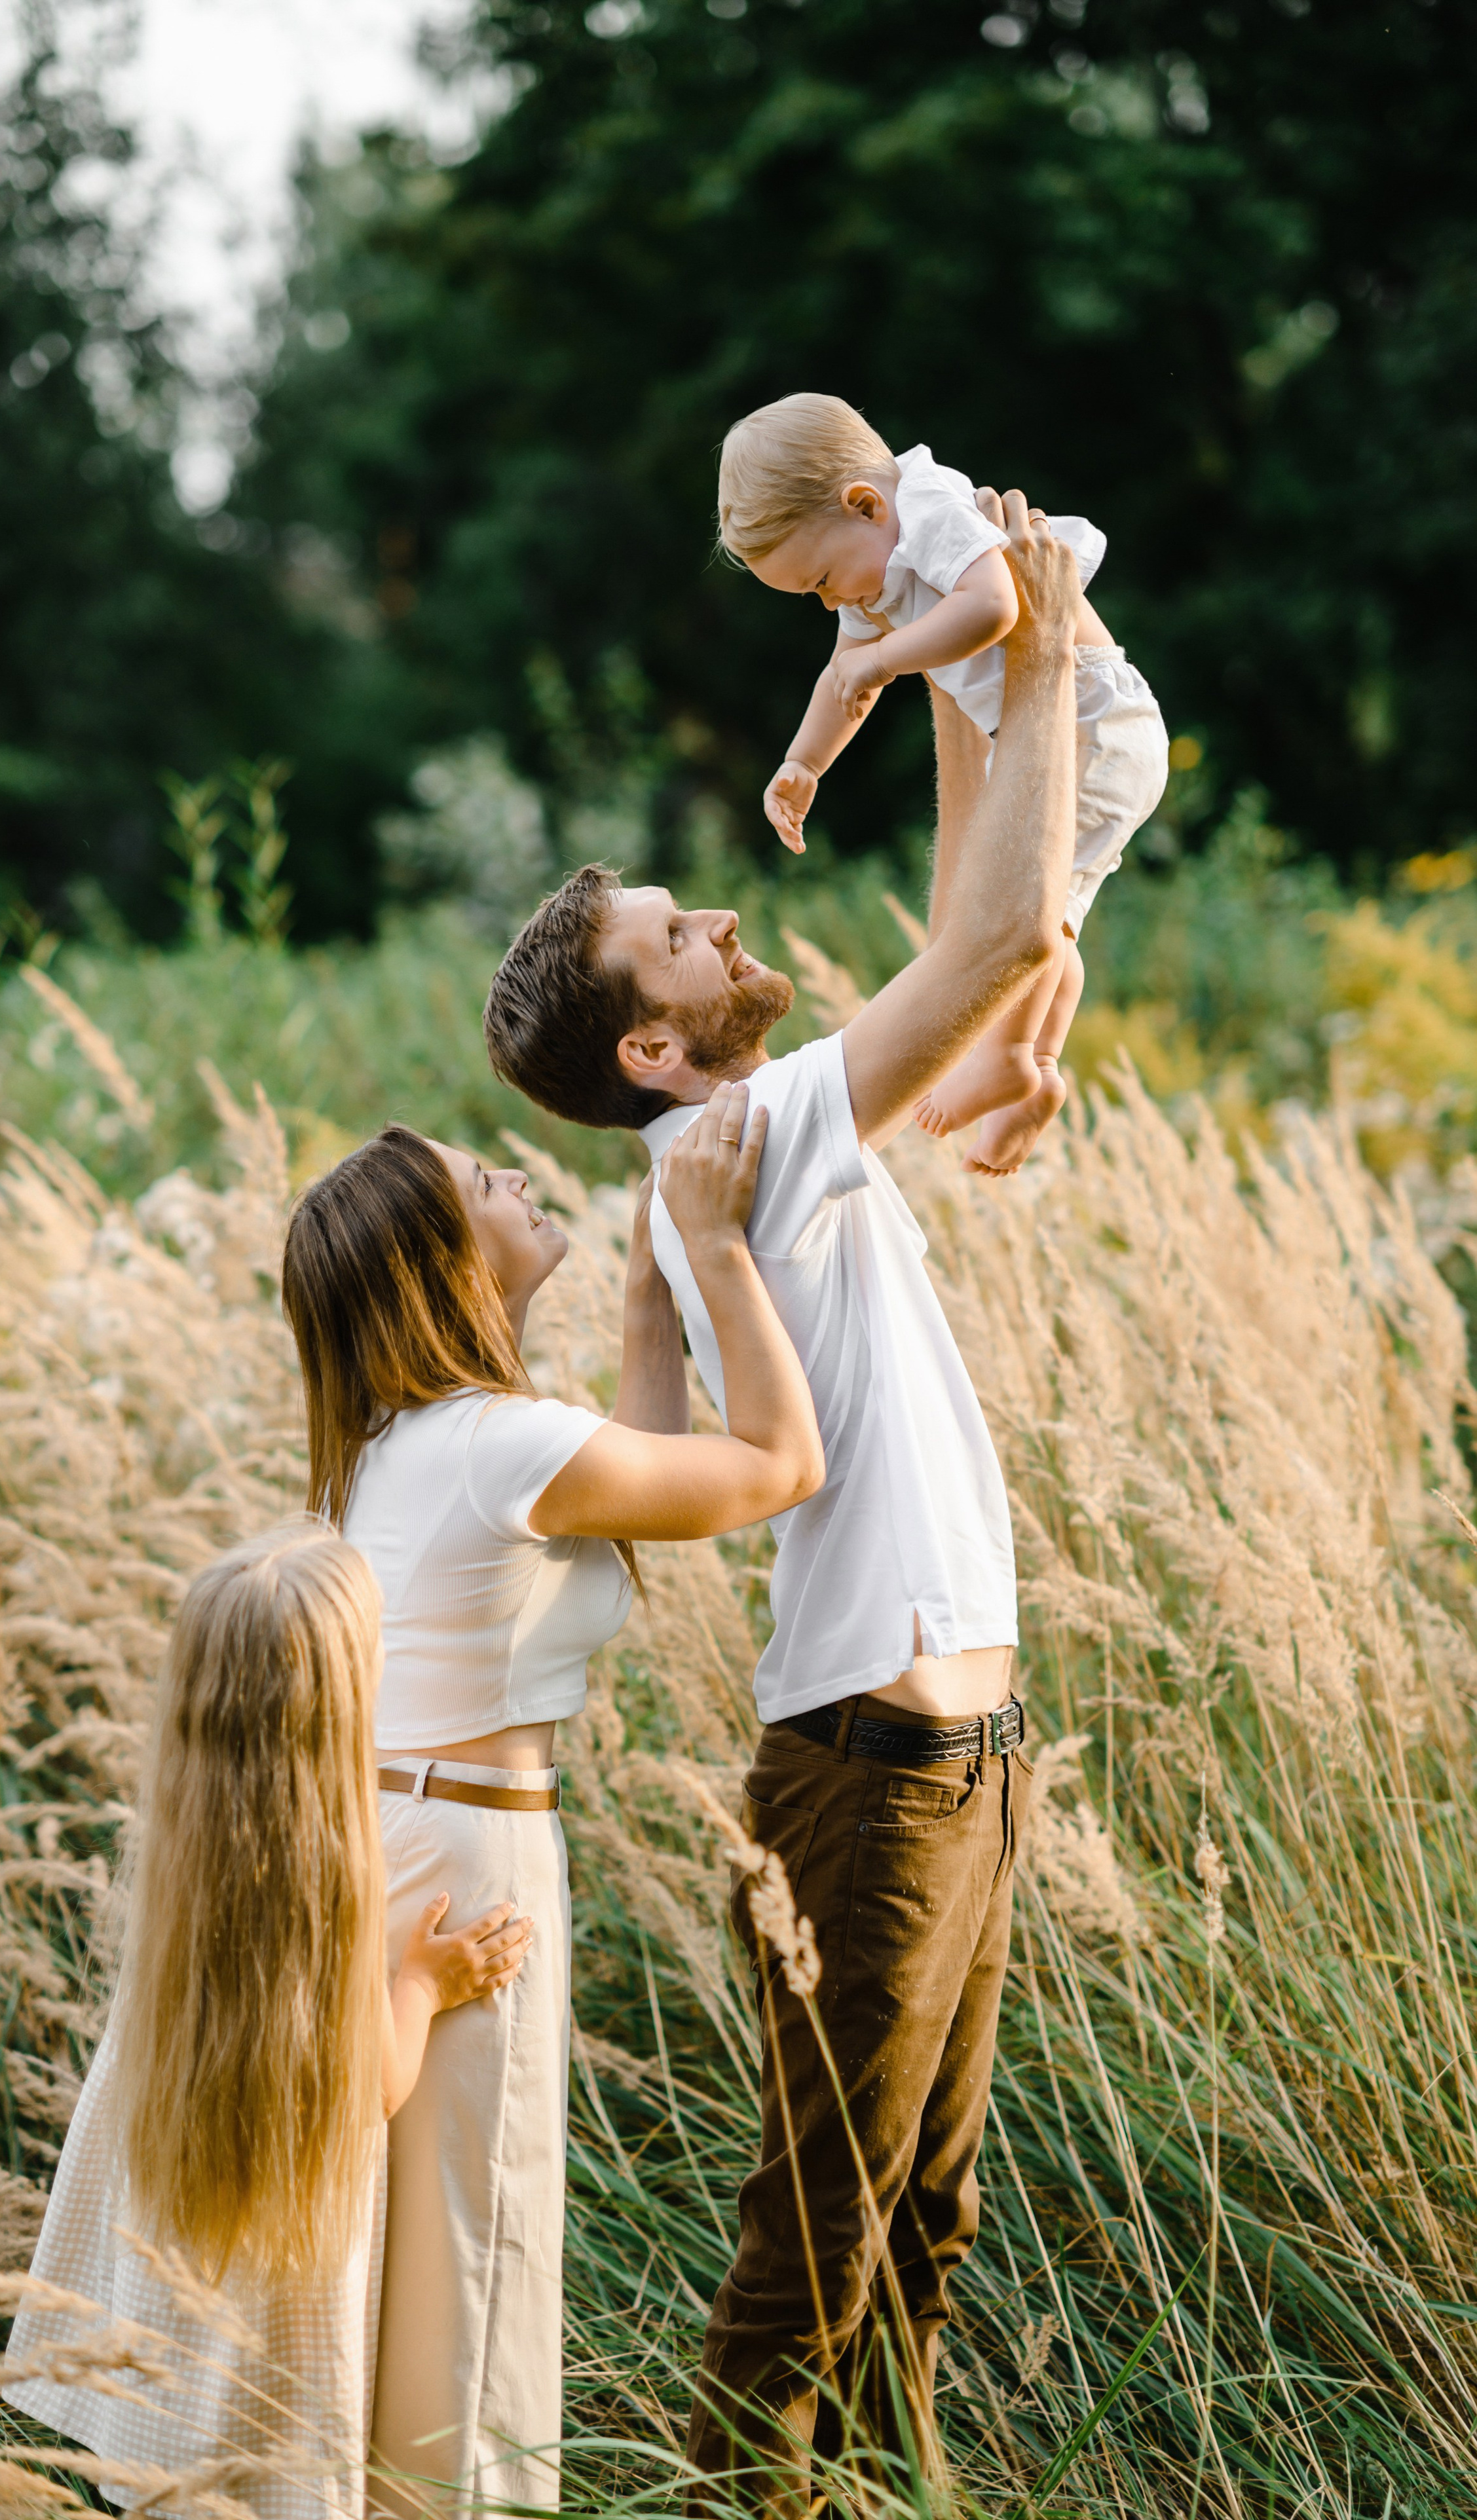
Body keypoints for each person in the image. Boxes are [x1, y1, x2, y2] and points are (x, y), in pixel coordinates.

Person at [482, 494, 1080, 2508]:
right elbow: (995, 944)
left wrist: (960, 685)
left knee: (918, 2220)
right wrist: (1035, 659)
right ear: (655, 1042)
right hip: (878, 1769)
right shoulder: (738, 1139)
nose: (726, 924)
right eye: (682, 935)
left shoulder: (735, 1156)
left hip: (953, 1749)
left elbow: (969, 961)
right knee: (821, 2237)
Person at [279, 1086, 823, 2516]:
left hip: (404, 1839)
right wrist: (717, 1249)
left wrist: (647, 1293)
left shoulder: (408, 1441)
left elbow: (641, 1488)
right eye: (485, 1180)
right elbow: (778, 1465)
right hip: (468, 1857)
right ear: (443, 1263)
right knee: (473, 2252)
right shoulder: (494, 1444)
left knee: (403, 2254)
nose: (519, 1176)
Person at [3, 1523, 530, 2520]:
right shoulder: (332, 1875)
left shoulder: (183, 1847)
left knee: (175, 2462)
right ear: (340, 1706)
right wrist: (424, 1985)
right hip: (280, 2246)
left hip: (178, 2211)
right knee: (264, 2466)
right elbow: (372, 2087)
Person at [718, 391, 1168, 1176]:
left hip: (1094, 725)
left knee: (1022, 903)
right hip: (1044, 731)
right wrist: (803, 763)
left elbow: (993, 607)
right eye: (814, 595)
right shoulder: (872, 564)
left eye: (821, 579)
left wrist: (886, 657)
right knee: (1044, 911)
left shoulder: (929, 509)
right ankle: (1035, 1068)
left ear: (865, 504)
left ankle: (1012, 1057)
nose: (831, 601)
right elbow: (844, 677)